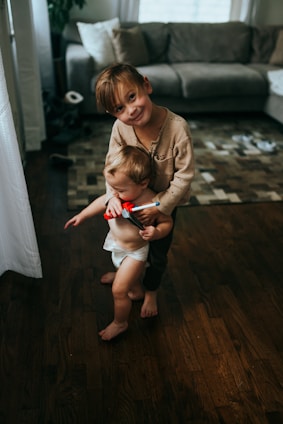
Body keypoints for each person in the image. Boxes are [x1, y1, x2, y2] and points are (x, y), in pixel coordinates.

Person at [95, 63, 195, 319]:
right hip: (131, 200)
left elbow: (185, 174)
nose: (131, 109)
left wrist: (160, 205)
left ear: (146, 86)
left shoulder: (177, 128)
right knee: (126, 242)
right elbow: (111, 166)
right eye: (120, 108)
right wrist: (112, 197)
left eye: (132, 97)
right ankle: (126, 275)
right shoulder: (120, 129)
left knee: (157, 253)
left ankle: (151, 290)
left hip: (163, 207)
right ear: (112, 114)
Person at [64, 146, 173, 341]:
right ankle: (135, 288)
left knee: (119, 291)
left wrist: (156, 232)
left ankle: (120, 322)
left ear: (143, 183)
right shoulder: (116, 194)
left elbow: (167, 222)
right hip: (117, 245)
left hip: (135, 252)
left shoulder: (151, 200)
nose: (113, 192)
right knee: (127, 282)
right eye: (111, 187)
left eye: (119, 189)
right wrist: (82, 215)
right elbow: (101, 201)